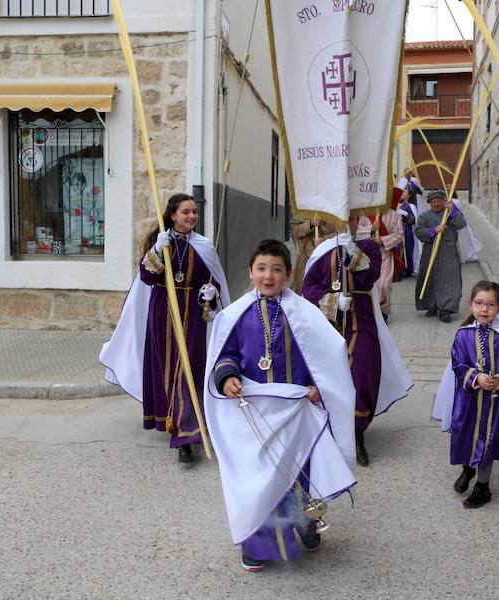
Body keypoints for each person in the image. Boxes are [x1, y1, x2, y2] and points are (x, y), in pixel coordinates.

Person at [204, 239, 356, 572]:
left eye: (276, 269)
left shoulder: (306, 313)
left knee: (297, 473)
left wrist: (320, 386)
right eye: (261, 269)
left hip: (296, 410)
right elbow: (224, 354)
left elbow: (326, 356)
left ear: (288, 274)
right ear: (250, 271)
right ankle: (257, 543)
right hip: (253, 410)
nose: (268, 276)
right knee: (258, 477)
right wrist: (227, 376)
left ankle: (305, 523)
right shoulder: (235, 315)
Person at [100, 193, 230, 463]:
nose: (192, 216)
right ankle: (173, 421)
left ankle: (186, 434)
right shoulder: (160, 244)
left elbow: (214, 283)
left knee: (188, 368)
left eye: (194, 212)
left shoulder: (204, 246)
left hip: (192, 313)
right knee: (166, 368)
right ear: (173, 215)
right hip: (163, 311)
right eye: (186, 212)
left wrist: (210, 294)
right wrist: (158, 251)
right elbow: (147, 277)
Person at [302, 217, 412, 467]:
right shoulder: (322, 250)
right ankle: (329, 427)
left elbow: (370, 276)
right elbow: (308, 289)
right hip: (329, 324)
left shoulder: (369, 246)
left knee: (362, 372)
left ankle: (357, 430)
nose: (345, 222)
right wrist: (331, 302)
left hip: (361, 318)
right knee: (327, 375)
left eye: (350, 217)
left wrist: (352, 251)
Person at [432, 281, 499, 508]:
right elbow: (458, 363)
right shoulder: (463, 335)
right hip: (469, 401)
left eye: (491, 304)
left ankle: (483, 487)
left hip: (496, 403)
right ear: (470, 304)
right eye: (479, 303)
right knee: (466, 436)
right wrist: (476, 377)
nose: (484, 309)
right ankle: (468, 469)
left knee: (488, 441)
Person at [415, 190, 467, 322]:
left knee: (450, 280)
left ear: (443, 202)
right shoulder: (424, 216)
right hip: (430, 250)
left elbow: (462, 224)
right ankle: (432, 305)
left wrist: (452, 211)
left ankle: (446, 309)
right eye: (433, 202)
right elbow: (419, 232)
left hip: (448, 250)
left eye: (439, 201)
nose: (436, 204)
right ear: (430, 203)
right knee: (430, 278)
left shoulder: (450, 213)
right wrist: (434, 230)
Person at [371, 207, 404, 321]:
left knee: (384, 285)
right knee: (370, 284)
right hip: (367, 253)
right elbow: (356, 231)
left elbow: (399, 234)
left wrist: (383, 240)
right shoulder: (365, 213)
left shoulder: (394, 215)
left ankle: (383, 310)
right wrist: (371, 229)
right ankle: (371, 310)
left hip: (385, 253)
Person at [290, 217, 335, 292]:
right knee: (304, 290)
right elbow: (295, 231)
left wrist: (325, 240)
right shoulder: (301, 213)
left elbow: (340, 233)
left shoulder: (330, 213)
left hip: (327, 258)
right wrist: (310, 223)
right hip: (306, 259)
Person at [393, 178, 417, 280]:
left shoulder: (410, 206)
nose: (402, 193)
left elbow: (413, 221)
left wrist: (405, 214)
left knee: (407, 250)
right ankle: (397, 270)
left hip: (407, 232)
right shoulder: (394, 206)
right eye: (401, 191)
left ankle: (407, 270)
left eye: (404, 191)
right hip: (395, 232)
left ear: (409, 195)